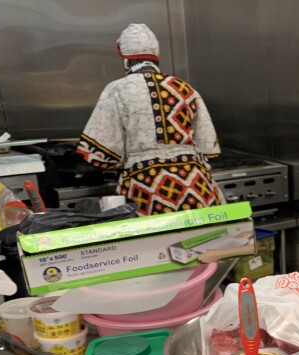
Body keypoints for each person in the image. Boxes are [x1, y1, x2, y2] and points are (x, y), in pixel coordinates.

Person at [77, 24, 224, 215]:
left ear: (125, 58)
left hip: (148, 186)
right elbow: (208, 148)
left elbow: (102, 155)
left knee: (154, 243)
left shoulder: (117, 90)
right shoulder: (186, 88)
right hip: (196, 188)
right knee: (201, 241)